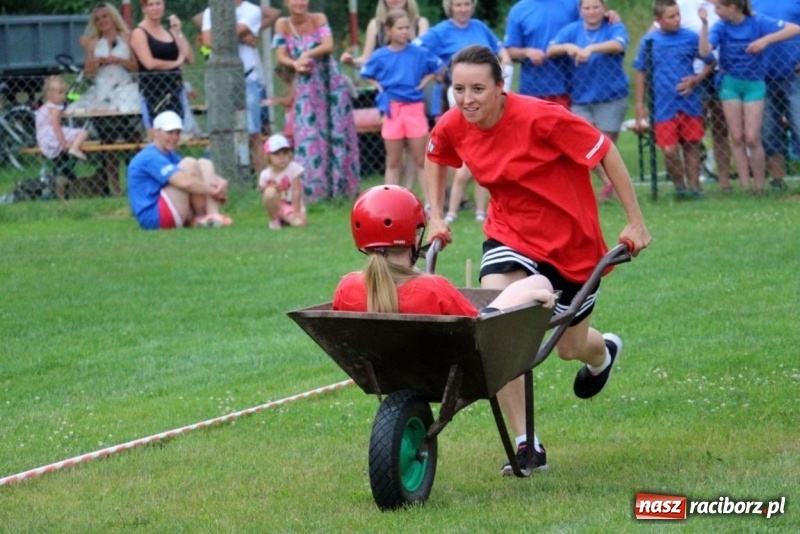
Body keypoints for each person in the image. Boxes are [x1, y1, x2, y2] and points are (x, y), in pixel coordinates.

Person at [424, 45, 651, 474]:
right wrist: (435, 216)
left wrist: (635, 221)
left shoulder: (541, 117)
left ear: (499, 87)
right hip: (511, 234)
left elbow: (604, 151)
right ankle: (528, 443)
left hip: (572, 245)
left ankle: (602, 354)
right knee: (500, 319)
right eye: (458, 88)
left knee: (569, 346)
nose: (467, 98)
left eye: (477, 88)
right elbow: (435, 155)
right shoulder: (455, 123)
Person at [334, 184, 555, 316]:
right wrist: (524, 298)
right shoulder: (433, 289)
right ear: (414, 236)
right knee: (539, 283)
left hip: (387, 369)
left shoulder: (347, 288)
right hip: (462, 364)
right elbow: (478, 328)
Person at [413, 0, 506, 220]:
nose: (463, 8)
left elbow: (499, 49)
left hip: (485, 94)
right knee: (463, 145)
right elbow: (415, 48)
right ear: (450, 7)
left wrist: (506, 62)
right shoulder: (440, 31)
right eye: (458, 4)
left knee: (486, 144)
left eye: (466, 4)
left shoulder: (479, 27)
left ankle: (477, 199)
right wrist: (437, 66)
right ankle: (453, 199)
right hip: (460, 95)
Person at [699, 0, 800, 195]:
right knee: (737, 137)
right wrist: (704, 25)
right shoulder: (720, 26)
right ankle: (747, 188)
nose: (716, 11)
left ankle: (760, 187)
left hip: (756, 83)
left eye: (719, 7)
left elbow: (794, 29)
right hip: (731, 85)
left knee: (753, 138)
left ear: (732, 7)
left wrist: (765, 40)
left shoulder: (757, 21)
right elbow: (704, 51)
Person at [273, 0, 361, 203]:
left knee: (337, 133)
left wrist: (306, 54)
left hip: (330, 83)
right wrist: (295, 63)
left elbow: (328, 45)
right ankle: (312, 193)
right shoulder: (282, 24)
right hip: (305, 84)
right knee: (308, 135)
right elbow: (280, 54)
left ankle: (342, 190)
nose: (300, 3)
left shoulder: (319, 19)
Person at [547, 0, 630, 203]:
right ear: (580, 11)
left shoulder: (613, 26)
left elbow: (619, 44)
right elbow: (550, 50)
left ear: (604, 8)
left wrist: (590, 49)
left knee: (606, 147)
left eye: (596, 7)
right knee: (584, 144)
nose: (592, 12)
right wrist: (569, 47)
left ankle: (616, 190)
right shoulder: (572, 30)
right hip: (581, 98)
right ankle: (608, 183)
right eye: (587, 8)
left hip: (611, 97)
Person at [633, 0, 715, 199]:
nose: (677, 19)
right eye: (671, 17)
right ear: (658, 20)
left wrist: (696, 80)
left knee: (691, 144)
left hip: (689, 102)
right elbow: (641, 71)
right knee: (669, 150)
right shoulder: (650, 41)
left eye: (678, 15)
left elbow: (709, 60)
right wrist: (639, 104)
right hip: (663, 105)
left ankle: (695, 188)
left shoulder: (689, 37)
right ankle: (680, 188)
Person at [359, 9, 441, 208]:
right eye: (400, 28)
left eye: (408, 28)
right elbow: (365, 72)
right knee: (393, 161)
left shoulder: (419, 52)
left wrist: (424, 82)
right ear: (388, 30)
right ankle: (390, 205)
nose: (405, 32)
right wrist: (378, 86)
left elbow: (438, 66)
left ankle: (431, 205)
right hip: (392, 110)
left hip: (414, 108)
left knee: (421, 159)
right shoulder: (380, 55)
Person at [200, 0, 281, 174]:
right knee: (222, 129)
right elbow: (207, 41)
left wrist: (228, 35)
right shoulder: (210, 12)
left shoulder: (251, 10)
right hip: (221, 79)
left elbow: (233, 32)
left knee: (253, 132)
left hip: (248, 77)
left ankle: (262, 177)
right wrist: (244, 39)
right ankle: (225, 173)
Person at [71, 2, 141, 195]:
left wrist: (119, 61)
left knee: (133, 138)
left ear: (113, 18)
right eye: (98, 19)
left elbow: (136, 67)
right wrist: (95, 64)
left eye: (106, 16)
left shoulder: (127, 38)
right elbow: (88, 74)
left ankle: (136, 182)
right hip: (103, 92)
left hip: (125, 89)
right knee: (108, 142)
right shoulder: (93, 43)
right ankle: (114, 186)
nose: (103, 21)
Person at [127, 111, 232, 230]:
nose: (175, 137)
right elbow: (184, 182)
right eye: (169, 132)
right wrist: (214, 191)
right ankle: (201, 217)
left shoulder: (170, 154)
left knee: (204, 163)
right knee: (189, 163)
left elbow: (195, 174)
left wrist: (219, 181)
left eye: (177, 132)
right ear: (156, 132)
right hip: (154, 216)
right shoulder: (149, 156)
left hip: (170, 207)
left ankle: (213, 216)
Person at [675, 0, 734, 192]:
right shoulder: (683, 4)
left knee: (720, 130)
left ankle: (724, 180)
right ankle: (694, 180)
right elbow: (658, 26)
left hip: (721, 73)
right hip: (692, 77)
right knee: (692, 131)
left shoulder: (727, 4)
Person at [751, 0, 800, 192]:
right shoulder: (751, 3)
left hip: (793, 75)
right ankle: (778, 181)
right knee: (769, 131)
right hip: (763, 77)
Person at [130, 0, 195, 138]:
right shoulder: (139, 32)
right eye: (150, 4)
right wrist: (176, 63)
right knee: (157, 138)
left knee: (176, 136)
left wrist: (178, 32)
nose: (155, 8)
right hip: (152, 92)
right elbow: (149, 63)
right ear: (144, 8)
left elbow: (189, 58)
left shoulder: (169, 32)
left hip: (174, 90)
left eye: (158, 3)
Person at [340, 0, 430, 69]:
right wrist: (352, 62)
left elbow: (423, 56)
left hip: (415, 85)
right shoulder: (375, 25)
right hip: (385, 86)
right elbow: (367, 60)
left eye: (406, 28)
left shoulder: (420, 23)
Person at [258, 133, 307, 230]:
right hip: (277, 205)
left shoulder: (293, 168)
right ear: (268, 156)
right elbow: (261, 189)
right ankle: (275, 220)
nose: (282, 158)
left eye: (285, 153)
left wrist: (297, 211)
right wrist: (271, 188)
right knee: (269, 192)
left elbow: (296, 191)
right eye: (277, 154)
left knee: (300, 223)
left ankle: (288, 218)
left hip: (291, 205)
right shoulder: (265, 174)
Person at [35, 75, 90, 162]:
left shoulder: (45, 107)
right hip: (52, 135)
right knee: (83, 132)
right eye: (60, 93)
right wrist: (63, 143)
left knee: (72, 132)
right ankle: (74, 148)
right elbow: (56, 126)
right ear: (49, 94)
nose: (63, 96)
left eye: (64, 93)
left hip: (42, 138)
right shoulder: (55, 109)